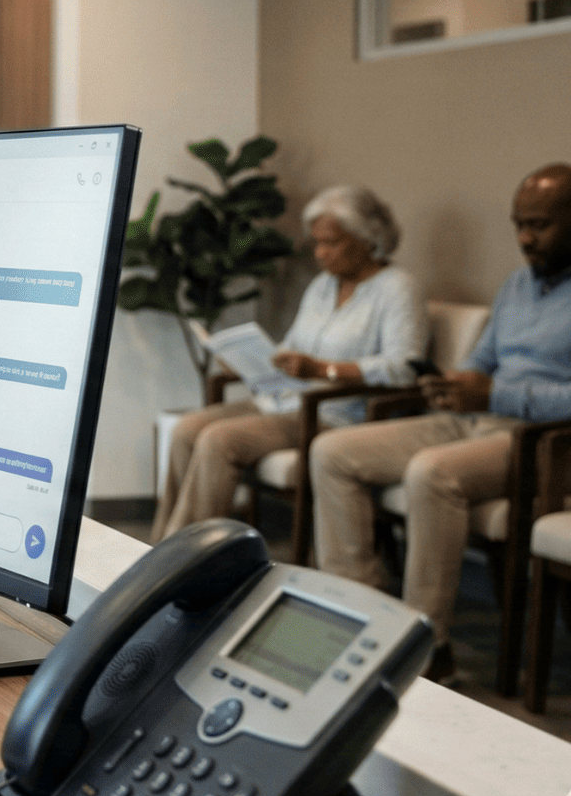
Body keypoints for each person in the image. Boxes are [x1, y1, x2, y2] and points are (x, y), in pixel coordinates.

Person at [310, 164, 571, 681]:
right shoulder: (518, 285)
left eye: (540, 225)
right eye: (519, 223)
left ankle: (428, 645)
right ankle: (361, 623)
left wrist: (499, 394)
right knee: (332, 452)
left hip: (541, 442)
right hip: (476, 417)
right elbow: (485, 359)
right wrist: (456, 382)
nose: (524, 238)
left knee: (432, 472)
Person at [152, 185, 426, 541]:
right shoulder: (323, 287)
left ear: (368, 237)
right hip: (286, 400)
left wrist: (323, 370)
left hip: (335, 415)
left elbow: (405, 367)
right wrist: (247, 359)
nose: (321, 254)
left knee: (219, 440)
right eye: (317, 243)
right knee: (188, 429)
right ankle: (157, 544)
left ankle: (183, 557)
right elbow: (291, 348)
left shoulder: (398, 288)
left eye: (332, 242)